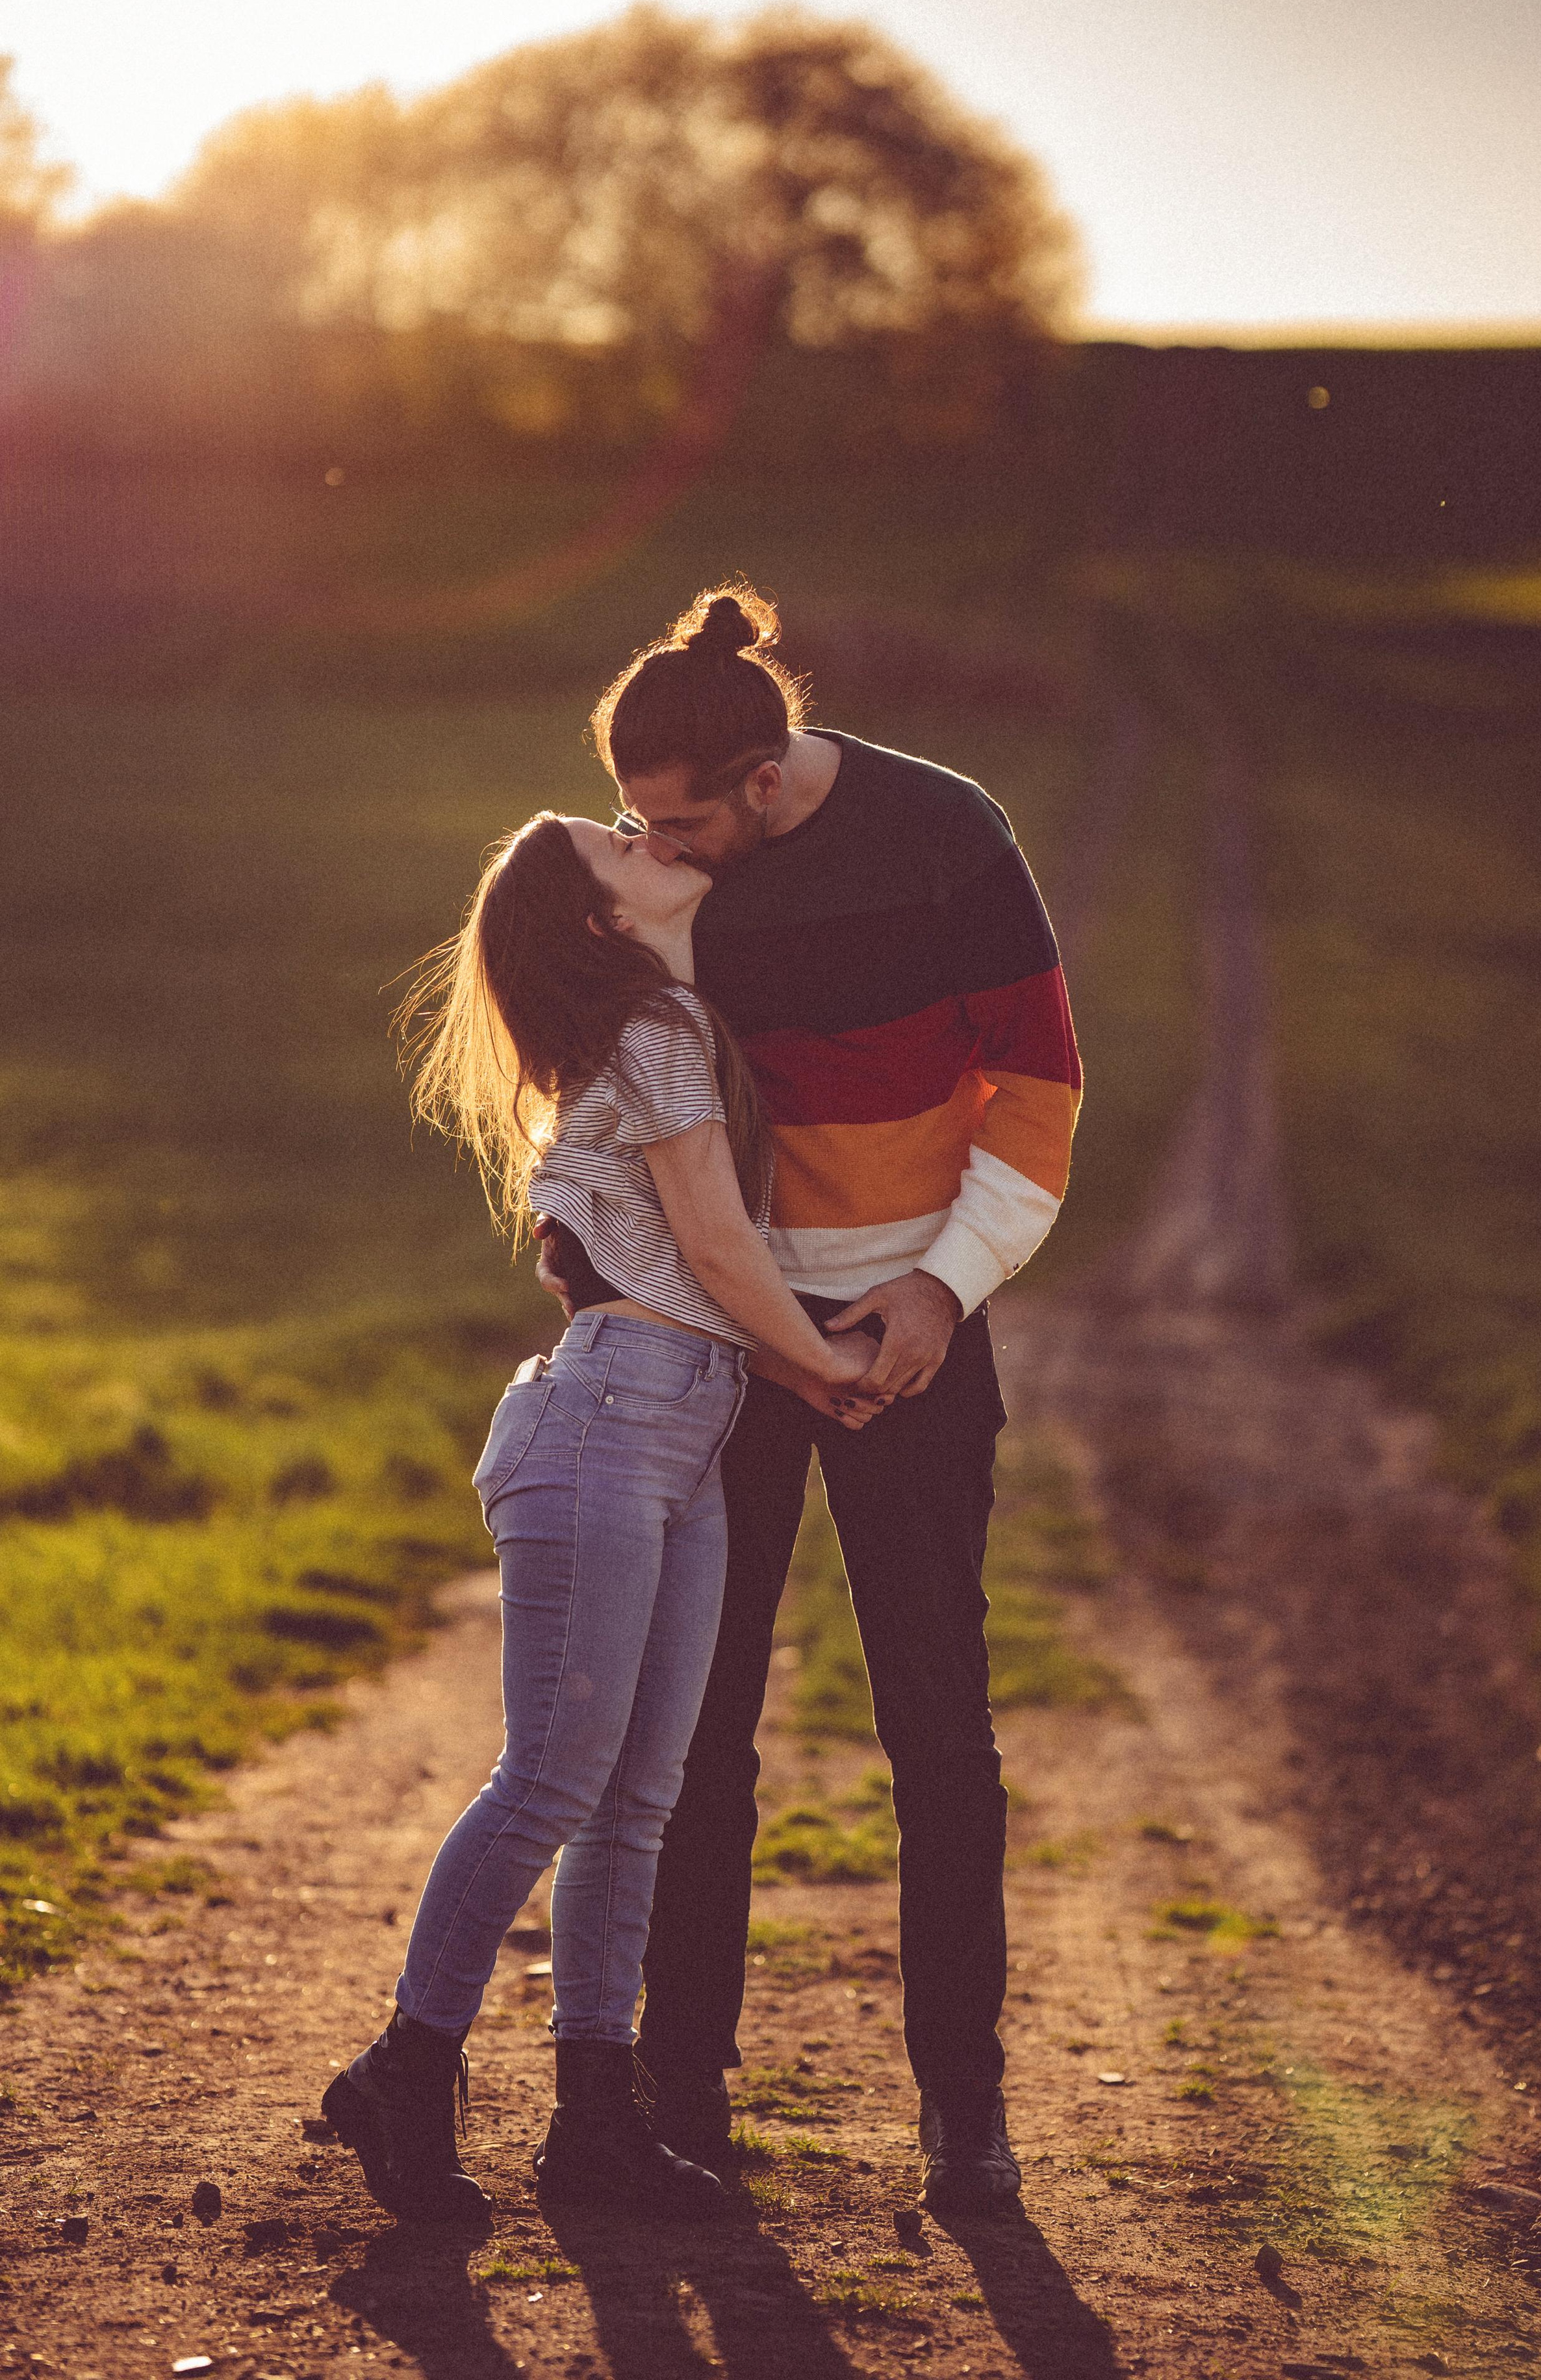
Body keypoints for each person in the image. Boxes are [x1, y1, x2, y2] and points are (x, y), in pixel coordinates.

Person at [546, 582, 1082, 2214]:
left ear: (767, 781)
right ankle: (678, 2102)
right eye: (643, 818)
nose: (664, 847)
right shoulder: (653, 883)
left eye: (688, 819)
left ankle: (963, 2114)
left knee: (938, 1725)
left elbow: (1039, 1090)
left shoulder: (946, 834)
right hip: (728, 1344)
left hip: (919, 1333)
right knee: (697, 1729)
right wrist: (760, 1330)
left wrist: (933, 1293)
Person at [322, 783, 880, 2227]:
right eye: (619, 846)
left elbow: (706, 1249)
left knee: (638, 1799)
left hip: (677, 1427)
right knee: (557, 1781)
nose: (656, 843)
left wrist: (792, 1370)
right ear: (597, 919)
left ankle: (592, 2124)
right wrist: (823, 1365)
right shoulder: (656, 1032)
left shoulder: (651, 1038)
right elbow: (709, 1241)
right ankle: (403, 2069)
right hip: (613, 1418)